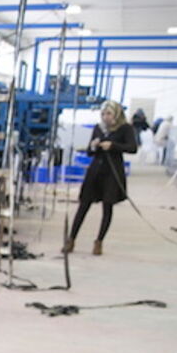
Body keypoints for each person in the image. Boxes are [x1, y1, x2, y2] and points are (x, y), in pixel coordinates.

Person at [63, 100, 137, 256]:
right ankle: (71, 239)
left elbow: (132, 148)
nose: (105, 117)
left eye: (109, 114)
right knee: (84, 205)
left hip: (112, 172)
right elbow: (90, 152)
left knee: (107, 206)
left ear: (116, 114)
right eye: (103, 114)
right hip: (95, 171)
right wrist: (93, 145)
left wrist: (113, 146)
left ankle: (99, 242)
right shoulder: (98, 128)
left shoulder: (125, 129)